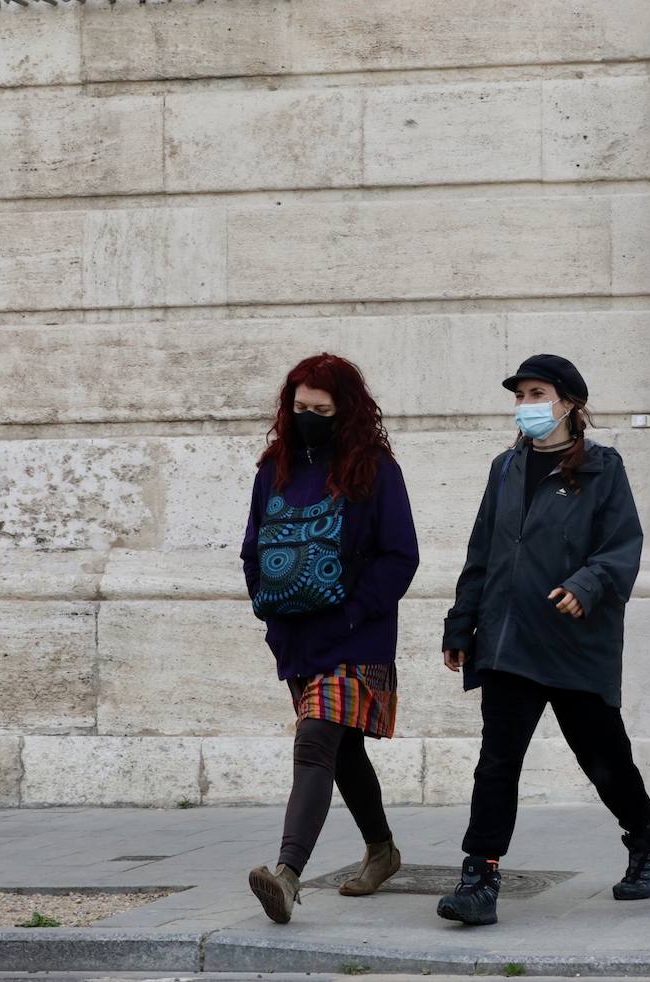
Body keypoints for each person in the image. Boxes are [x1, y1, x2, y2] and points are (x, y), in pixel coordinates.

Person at [436, 354, 650, 927]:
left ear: (569, 402)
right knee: (496, 762)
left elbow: (622, 545)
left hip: (575, 640)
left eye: (536, 392)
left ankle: (649, 840)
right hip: (507, 638)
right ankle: (479, 876)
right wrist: (460, 623)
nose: (526, 405)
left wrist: (586, 584)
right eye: (520, 395)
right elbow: (483, 553)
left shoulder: (603, 468)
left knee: (603, 757)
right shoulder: (503, 468)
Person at [240, 353, 420, 924]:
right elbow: (253, 549)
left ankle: (288, 874)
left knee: (317, 740)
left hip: (354, 637)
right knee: (344, 753)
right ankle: (383, 850)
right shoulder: (275, 467)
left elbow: (400, 555)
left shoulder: (375, 470)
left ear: (346, 410)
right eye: (299, 408)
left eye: (321, 409)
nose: (308, 418)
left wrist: (352, 614)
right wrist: (270, 616)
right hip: (296, 639)